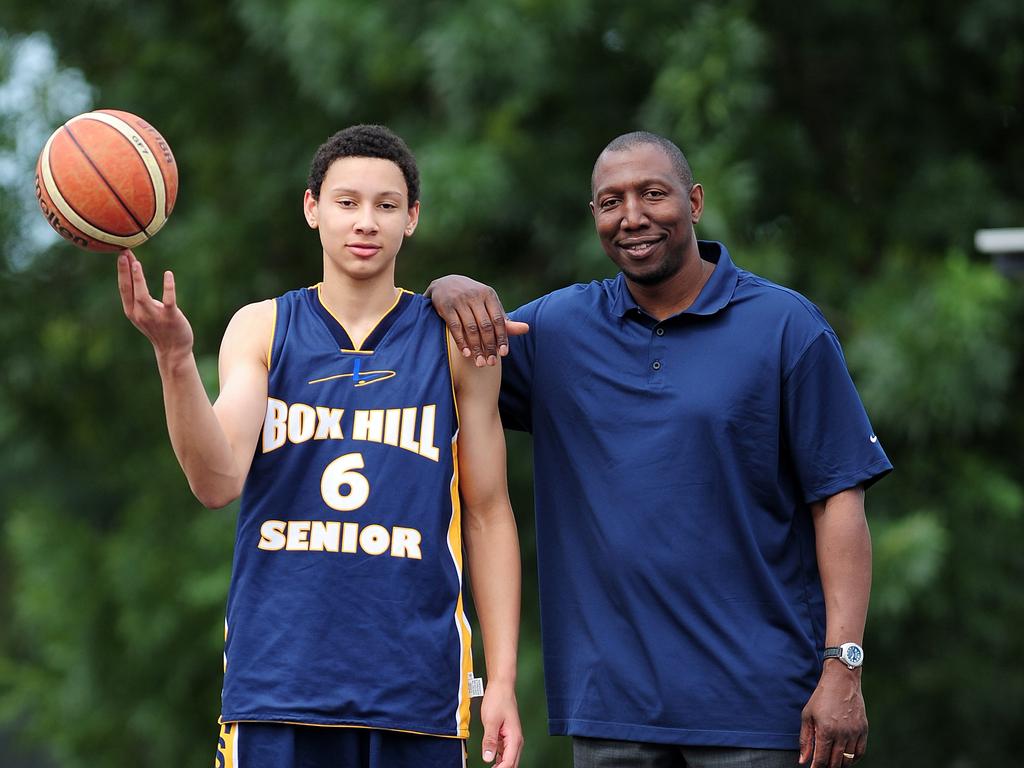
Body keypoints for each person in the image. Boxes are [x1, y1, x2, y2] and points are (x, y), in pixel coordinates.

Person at [427, 131, 892, 768]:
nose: (633, 217)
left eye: (653, 194)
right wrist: (445, 289)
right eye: (611, 202)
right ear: (595, 217)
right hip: (611, 710)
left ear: (694, 202)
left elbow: (839, 501)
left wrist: (844, 666)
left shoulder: (786, 327)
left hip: (759, 710)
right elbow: (442, 366)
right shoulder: (557, 331)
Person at [117, 124, 523, 768]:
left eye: (387, 205)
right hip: (278, 683)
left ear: (412, 218)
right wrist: (174, 358)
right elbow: (216, 480)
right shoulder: (263, 326)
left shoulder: (453, 341)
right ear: (312, 208)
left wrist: (500, 682)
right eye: (346, 202)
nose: (366, 222)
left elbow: (489, 511)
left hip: (417, 692)